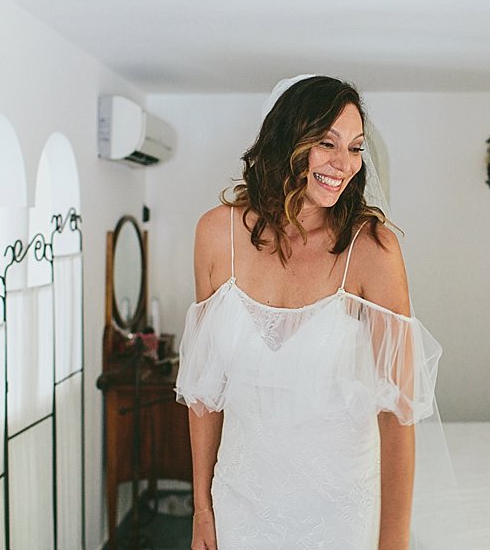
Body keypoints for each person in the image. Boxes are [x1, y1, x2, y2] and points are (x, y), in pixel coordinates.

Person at [175, 75, 443, 549]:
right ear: (287, 140)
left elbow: (398, 415)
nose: (345, 165)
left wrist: (395, 542)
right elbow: (204, 395)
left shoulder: (373, 251)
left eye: (357, 149)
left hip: (340, 514)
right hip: (241, 505)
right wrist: (202, 511)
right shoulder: (216, 236)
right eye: (327, 143)